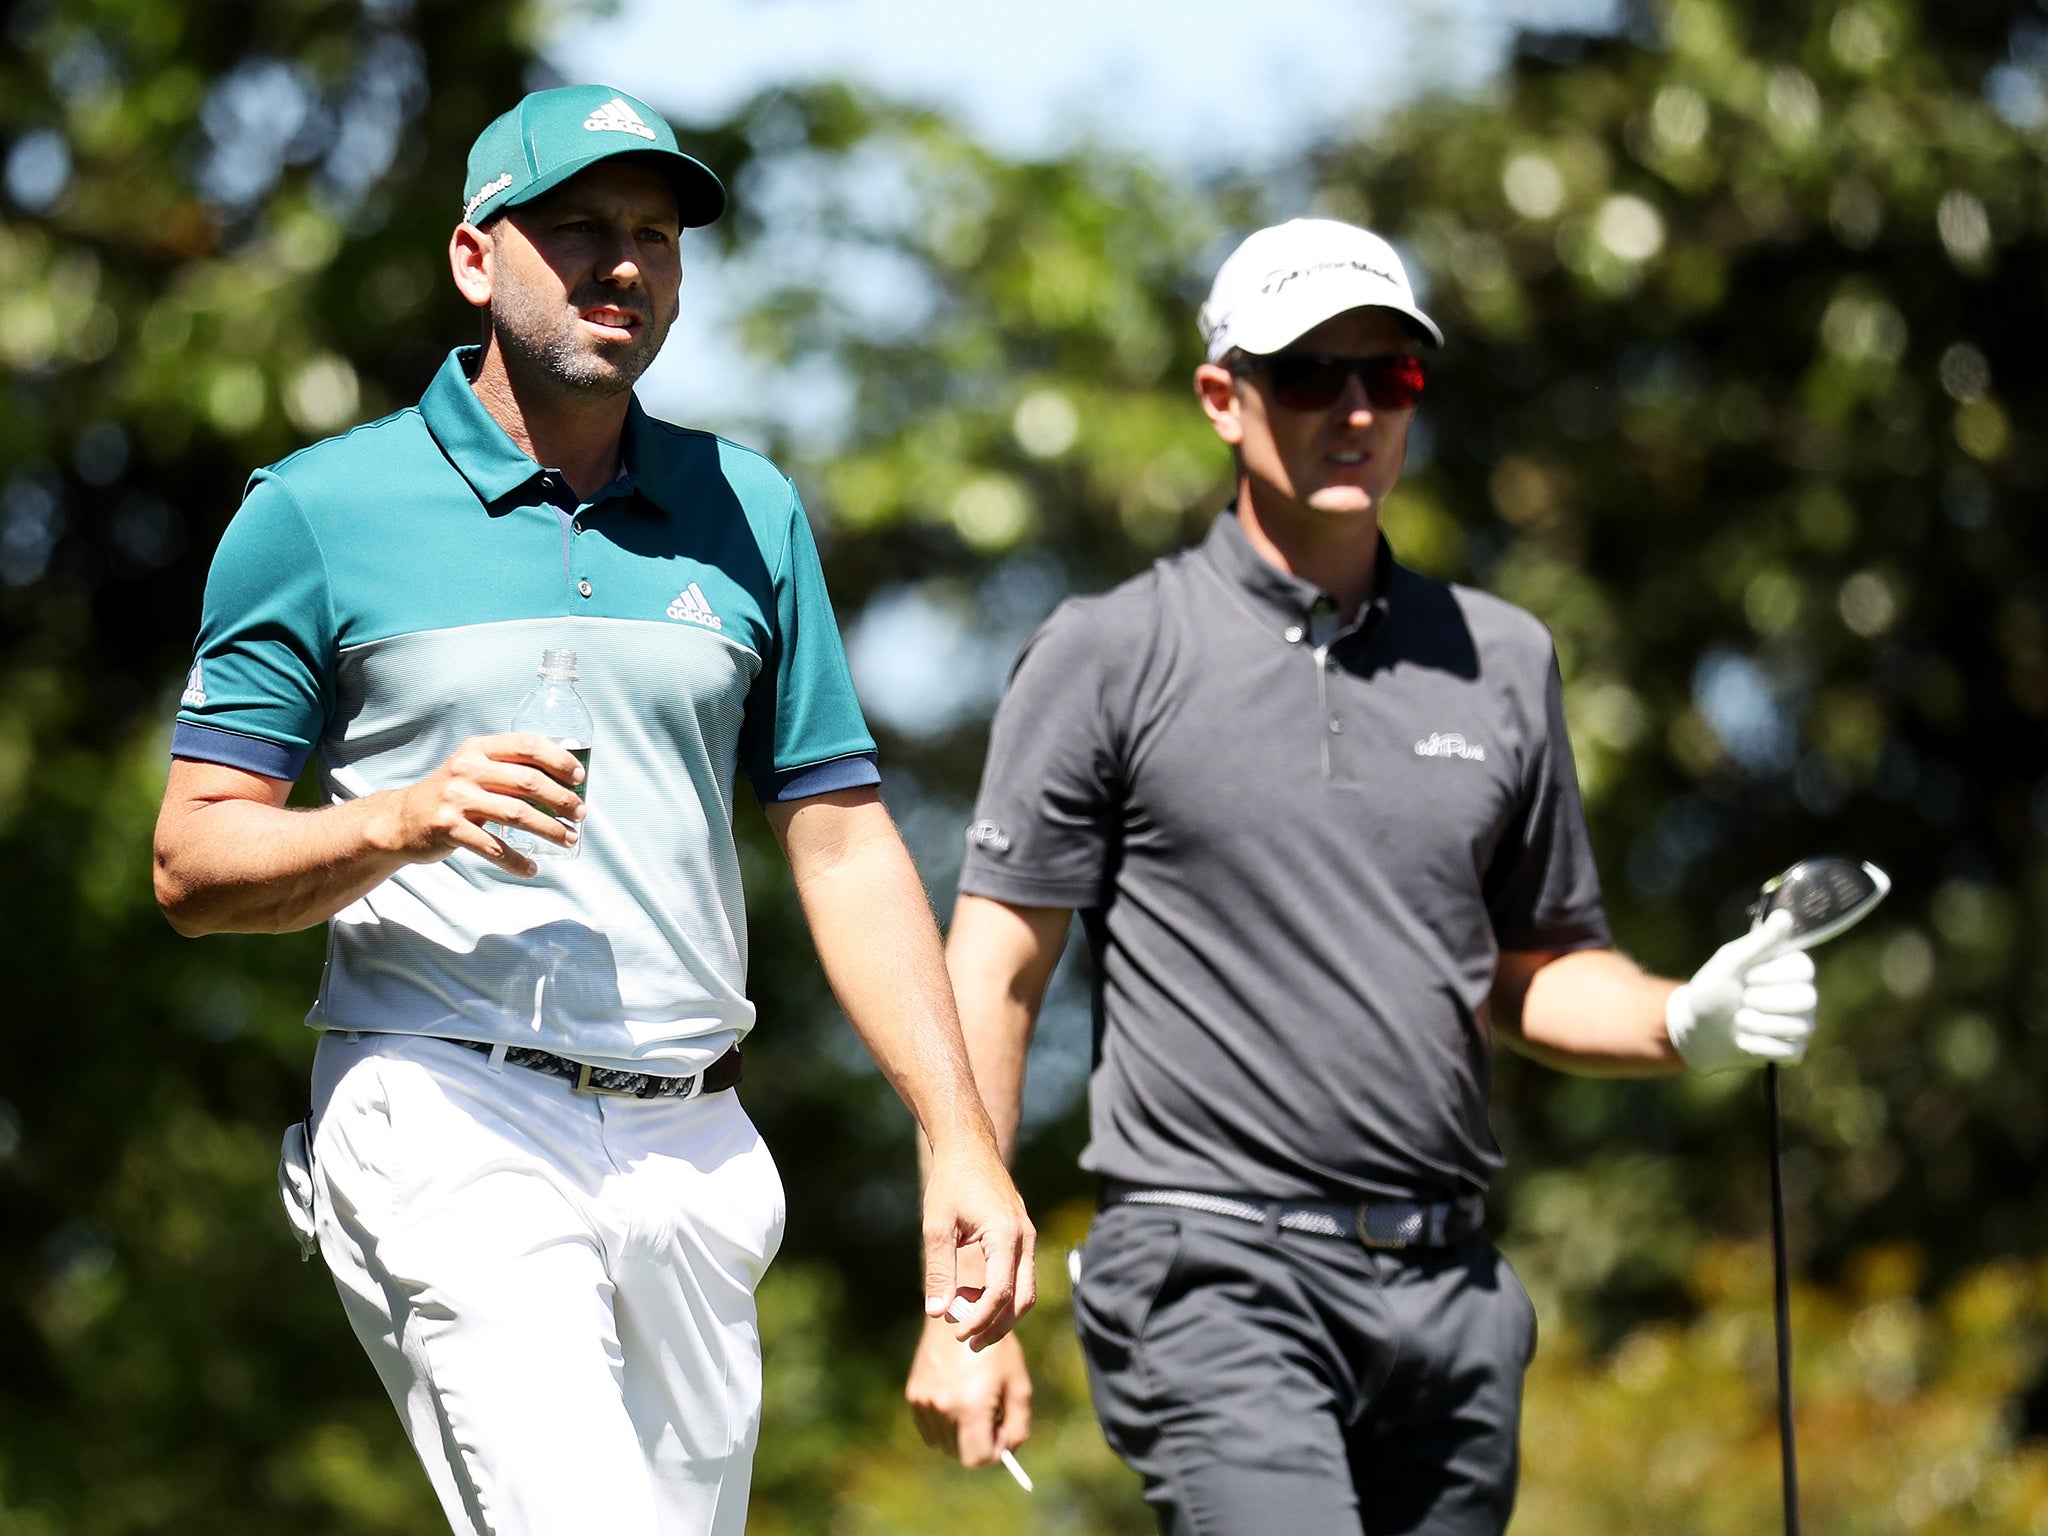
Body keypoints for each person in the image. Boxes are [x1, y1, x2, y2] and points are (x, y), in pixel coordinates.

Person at [152, 84, 1031, 1536]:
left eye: (655, 234)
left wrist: (954, 1132)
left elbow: (842, 838)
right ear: (472, 257)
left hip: (697, 1144)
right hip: (447, 1104)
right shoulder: (319, 510)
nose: (624, 263)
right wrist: (399, 821)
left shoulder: (749, 509)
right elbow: (193, 861)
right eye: (577, 230)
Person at [905, 217, 1818, 1535]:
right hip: (1212, 1272)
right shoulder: (1110, 652)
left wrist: (1686, 1017)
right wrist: (963, 1305)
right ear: (1224, 398)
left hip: (1451, 1295)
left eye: (1387, 377)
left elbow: (1537, 964)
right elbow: (992, 972)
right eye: (1306, 374)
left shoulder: (1500, 658)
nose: (1352, 410)